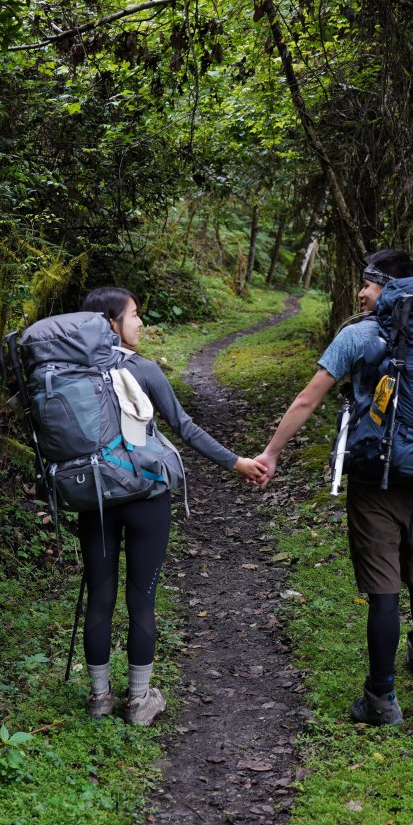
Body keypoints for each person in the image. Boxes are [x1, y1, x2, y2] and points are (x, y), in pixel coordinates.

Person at [254, 249, 413, 726]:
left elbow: (309, 398)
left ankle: (381, 699)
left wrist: (271, 453)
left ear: (390, 289)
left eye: (369, 285)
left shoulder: (358, 335)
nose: (362, 293)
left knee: (384, 586)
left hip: (373, 475)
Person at [79, 286, 266, 724]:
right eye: (134, 314)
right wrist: (236, 462)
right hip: (145, 496)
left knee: (100, 598)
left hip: (95, 499)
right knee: (141, 599)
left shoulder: (71, 373)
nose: (140, 323)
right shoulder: (141, 369)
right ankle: (139, 701)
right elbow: (183, 426)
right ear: (112, 323)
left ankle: (98, 698)